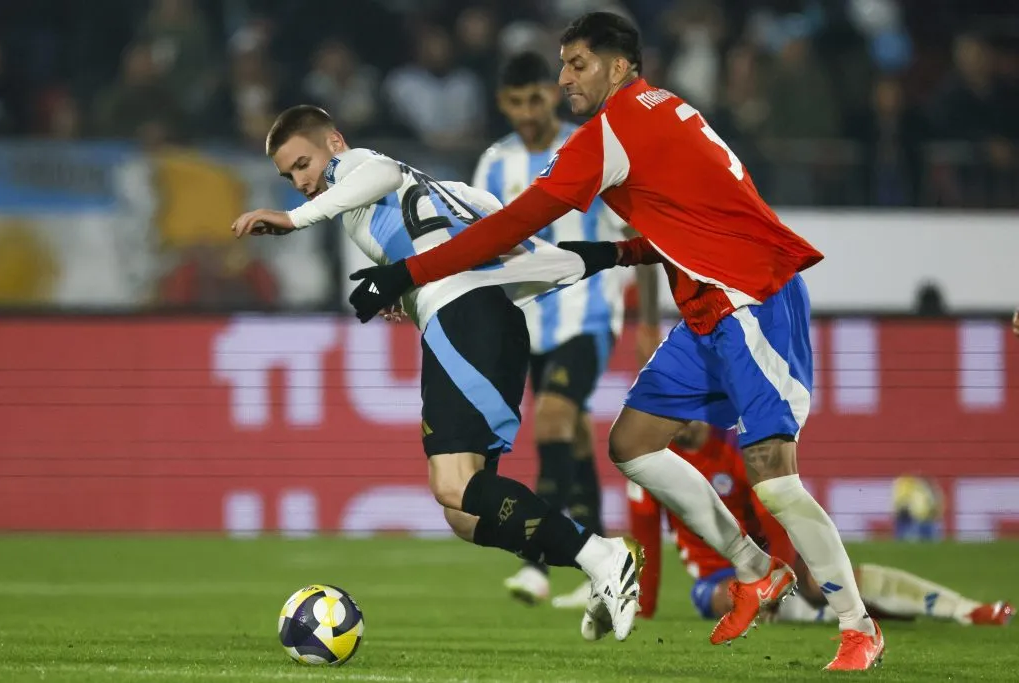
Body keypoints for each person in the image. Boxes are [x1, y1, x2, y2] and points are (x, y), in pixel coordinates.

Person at [344, 12, 883, 670]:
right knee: (632, 443)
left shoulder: (614, 131)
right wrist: (622, 254)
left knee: (772, 473)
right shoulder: (662, 109)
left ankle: (857, 626)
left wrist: (407, 272)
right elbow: (691, 215)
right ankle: (755, 569)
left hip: (751, 298)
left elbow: (514, 223)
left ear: (620, 66)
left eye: (578, 64)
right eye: (562, 64)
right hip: (707, 306)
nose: (564, 78)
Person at [230, 105, 644, 641]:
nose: (302, 182)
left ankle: (602, 557)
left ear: (333, 142)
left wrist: (295, 217)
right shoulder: (444, 190)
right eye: (289, 177)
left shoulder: (356, 166)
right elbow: (502, 230)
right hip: (491, 321)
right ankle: (596, 561)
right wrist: (621, 254)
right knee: (465, 515)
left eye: (303, 164)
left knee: (454, 483)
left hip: (463, 320)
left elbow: (379, 172)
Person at [475, 51, 654, 608]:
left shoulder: (592, 147)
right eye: (515, 102)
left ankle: (536, 565)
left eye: (535, 99)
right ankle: (603, 569)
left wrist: (649, 322)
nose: (527, 113)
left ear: (552, 94)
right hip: (527, 321)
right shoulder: (494, 165)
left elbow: (642, 232)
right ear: (502, 103)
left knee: (551, 419)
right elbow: (478, 243)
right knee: (571, 431)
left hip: (588, 314)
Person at [627, 422, 1015, 628]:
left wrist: (776, 574)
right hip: (715, 577)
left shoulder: (735, 447)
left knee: (821, 580)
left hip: (769, 559)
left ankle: (966, 610)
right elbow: (645, 537)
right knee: (728, 597)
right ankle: (845, 615)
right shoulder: (651, 460)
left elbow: (773, 517)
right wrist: (642, 608)